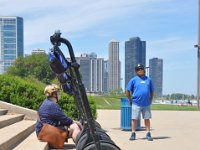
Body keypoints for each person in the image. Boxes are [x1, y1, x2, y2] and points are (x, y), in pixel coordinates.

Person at [125, 64, 154, 141]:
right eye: (138, 69)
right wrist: (130, 100)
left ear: (144, 69)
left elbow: (152, 91)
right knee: (134, 119)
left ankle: (148, 133)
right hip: (136, 103)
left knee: (147, 118)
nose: (140, 70)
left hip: (146, 103)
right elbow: (127, 90)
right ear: (136, 71)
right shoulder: (133, 80)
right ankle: (133, 133)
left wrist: (151, 99)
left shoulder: (148, 80)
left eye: (141, 68)